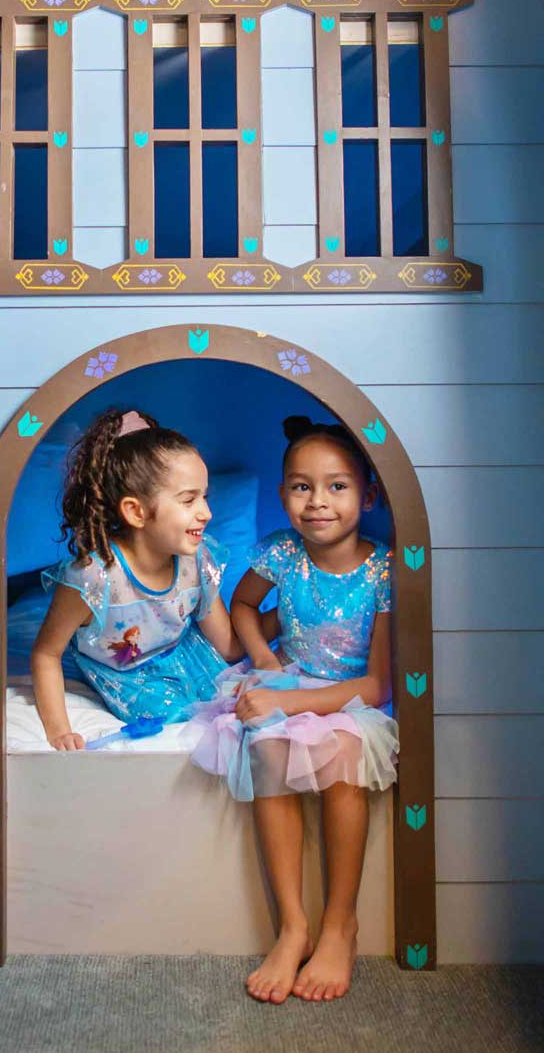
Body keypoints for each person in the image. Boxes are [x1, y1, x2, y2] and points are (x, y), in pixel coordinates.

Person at [188, 415, 398, 1004]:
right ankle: (292, 926)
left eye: (337, 486)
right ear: (283, 494)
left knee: (342, 756)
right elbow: (244, 605)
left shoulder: (383, 568)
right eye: (301, 487)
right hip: (289, 679)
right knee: (268, 746)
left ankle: (339, 926)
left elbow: (377, 685)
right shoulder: (280, 551)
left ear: (368, 493)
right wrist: (263, 660)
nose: (318, 502)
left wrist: (288, 697)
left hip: (348, 697)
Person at [30, 407, 245, 748]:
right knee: (187, 729)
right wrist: (60, 731)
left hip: (188, 656)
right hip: (129, 676)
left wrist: (287, 619)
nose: (206, 513)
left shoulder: (196, 559)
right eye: (189, 500)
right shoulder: (94, 578)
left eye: (205, 497)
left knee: (248, 707)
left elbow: (230, 647)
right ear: (136, 511)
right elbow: (46, 654)